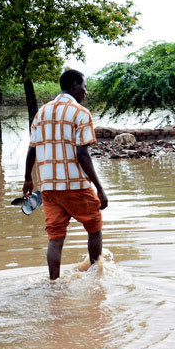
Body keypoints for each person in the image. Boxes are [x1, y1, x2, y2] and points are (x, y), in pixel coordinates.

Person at [23, 69, 108, 280]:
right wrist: (99, 188)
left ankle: (54, 283)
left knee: (55, 237)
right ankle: (97, 278)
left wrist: (27, 178)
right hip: (76, 185)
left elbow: (32, 149)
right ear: (74, 86)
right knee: (94, 227)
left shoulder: (41, 112)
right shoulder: (81, 113)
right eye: (84, 87)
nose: (85, 92)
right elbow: (82, 154)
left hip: (49, 187)